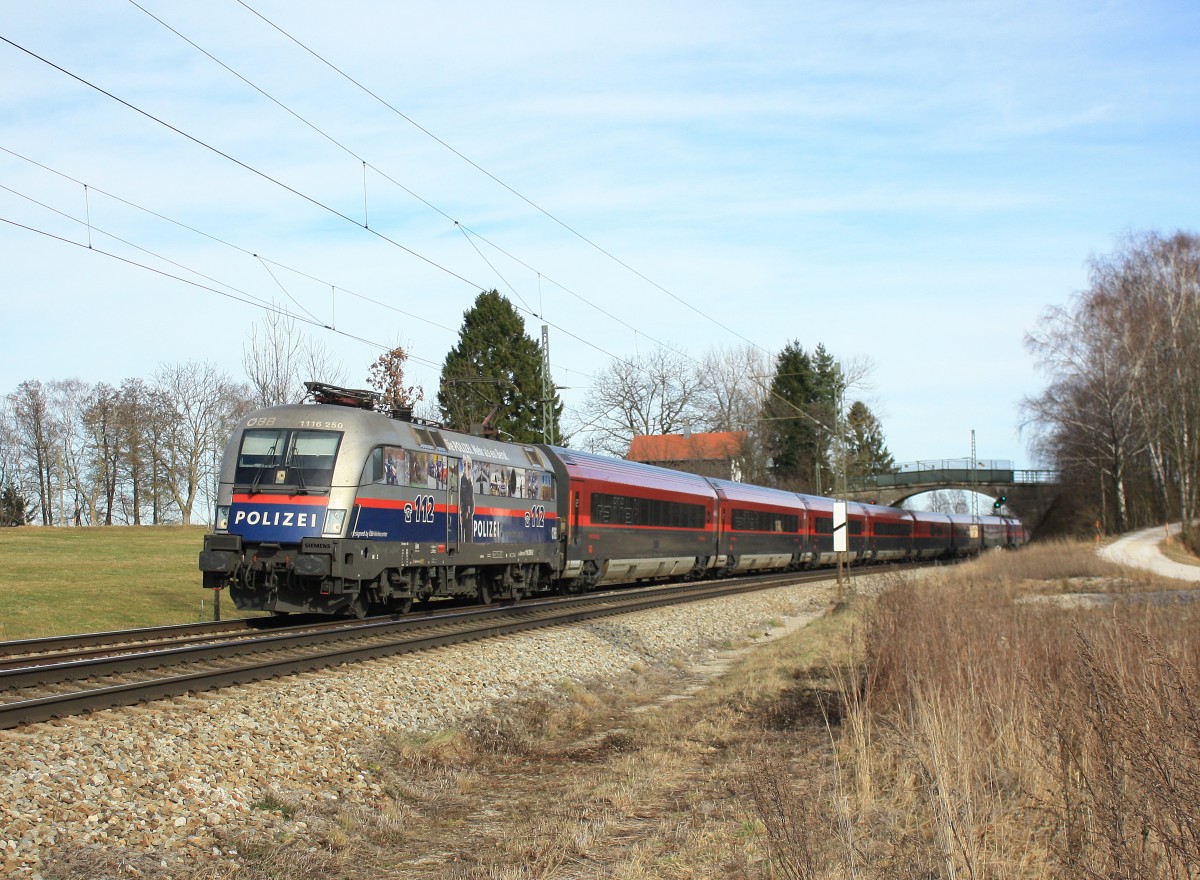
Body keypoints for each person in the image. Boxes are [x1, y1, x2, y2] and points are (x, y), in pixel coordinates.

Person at [459, 457, 474, 543]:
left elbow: (470, 497)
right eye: (465, 466)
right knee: (466, 530)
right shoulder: (464, 481)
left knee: (468, 532)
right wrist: (466, 511)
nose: (467, 469)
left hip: (468, 512)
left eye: (469, 467)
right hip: (466, 511)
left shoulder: (468, 481)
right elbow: (465, 497)